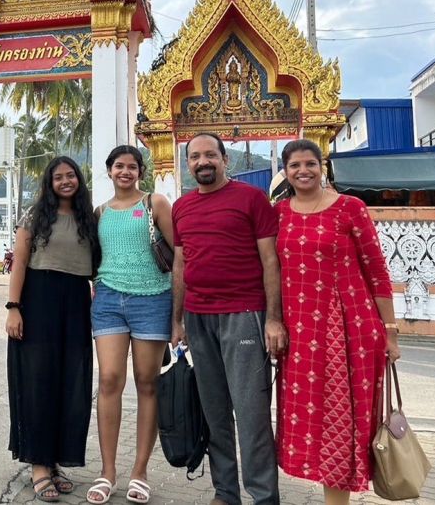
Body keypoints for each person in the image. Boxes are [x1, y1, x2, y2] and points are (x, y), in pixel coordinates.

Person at [274, 139, 400, 505]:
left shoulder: (350, 209)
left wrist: (390, 332)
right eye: (295, 165)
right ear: (285, 171)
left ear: (322, 166)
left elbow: (376, 271)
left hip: (347, 329)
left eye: (310, 163)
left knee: (340, 422)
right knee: (308, 422)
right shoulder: (279, 213)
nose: (303, 171)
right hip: (298, 333)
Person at [171, 132, 286, 505]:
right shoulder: (181, 207)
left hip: (244, 315)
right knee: (214, 412)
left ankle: (264, 496)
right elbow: (180, 264)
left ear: (225, 160)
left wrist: (273, 319)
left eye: (210, 155)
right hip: (198, 318)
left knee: (251, 414)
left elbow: (271, 261)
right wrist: (178, 320)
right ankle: (225, 492)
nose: (202, 162)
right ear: (188, 164)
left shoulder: (251, 200)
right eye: (195, 157)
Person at [6, 156, 100, 502]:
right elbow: (19, 264)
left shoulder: (89, 218)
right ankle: (39, 467)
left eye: (70, 175)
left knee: (70, 383)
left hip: (75, 304)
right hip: (38, 302)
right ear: (49, 182)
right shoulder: (34, 217)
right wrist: (13, 308)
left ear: (79, 180)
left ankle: (56, 460)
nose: (65, 181)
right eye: (58, 177)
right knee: (39, 382)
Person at [86, 145, 174, 505]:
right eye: (118, 166)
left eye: (132, 166)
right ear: (109, 171)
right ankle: (107, 472)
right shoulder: (100, 212)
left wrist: (179, 313)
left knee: (147, 383)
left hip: (153, 299)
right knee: (108, 380)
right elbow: (92, 259)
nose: (125, 172)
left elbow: (178, 251)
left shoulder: (155, 203)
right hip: (108, 300)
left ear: (141, 171)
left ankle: (140, 472)